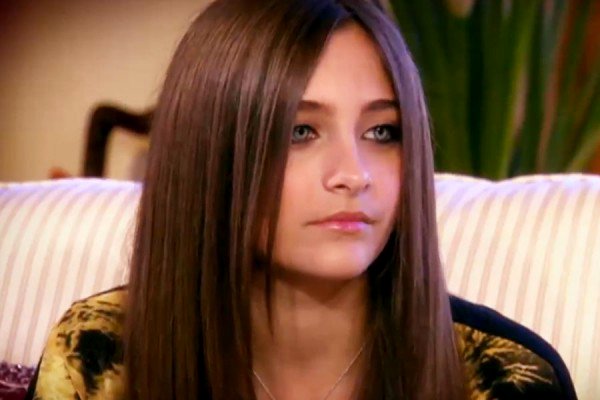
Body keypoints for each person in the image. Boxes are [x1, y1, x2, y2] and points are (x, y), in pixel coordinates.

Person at [25, 0, 576, 399]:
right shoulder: (93, 356)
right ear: (210, 154)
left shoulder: (505, 379)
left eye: (382, 132)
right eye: (300, 132)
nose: (353, 175)